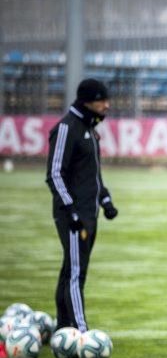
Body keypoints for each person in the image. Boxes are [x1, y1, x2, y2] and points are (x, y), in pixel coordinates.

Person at [45, 78, 118, 332]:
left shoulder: (90, 129)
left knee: (71, 271)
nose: (107, 106)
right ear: (88, 101)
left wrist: (105, 199)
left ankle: (64, 327)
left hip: (89, 213)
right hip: (73, 215)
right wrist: (71, 210)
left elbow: (92, 175)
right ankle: (81, 332)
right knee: (76, 274)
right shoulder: (67, 128)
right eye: (102, 100)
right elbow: (55, 174)